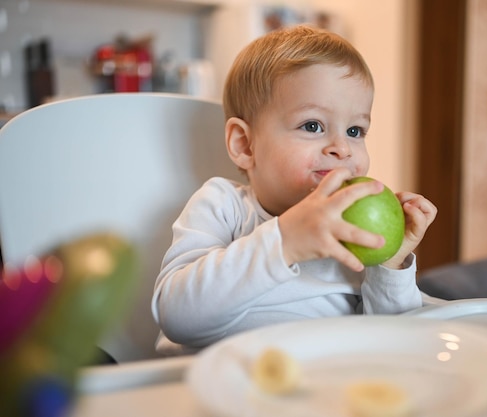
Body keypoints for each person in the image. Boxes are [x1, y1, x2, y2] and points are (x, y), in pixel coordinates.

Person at [151, 25, 437, 355]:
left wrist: (390, 264)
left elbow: (392, 343)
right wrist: (285, 241)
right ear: (245, 144)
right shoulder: (223, 205)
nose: (342, 148)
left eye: (355, 130)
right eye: (312, 125)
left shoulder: (353, 233)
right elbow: (178, 317)